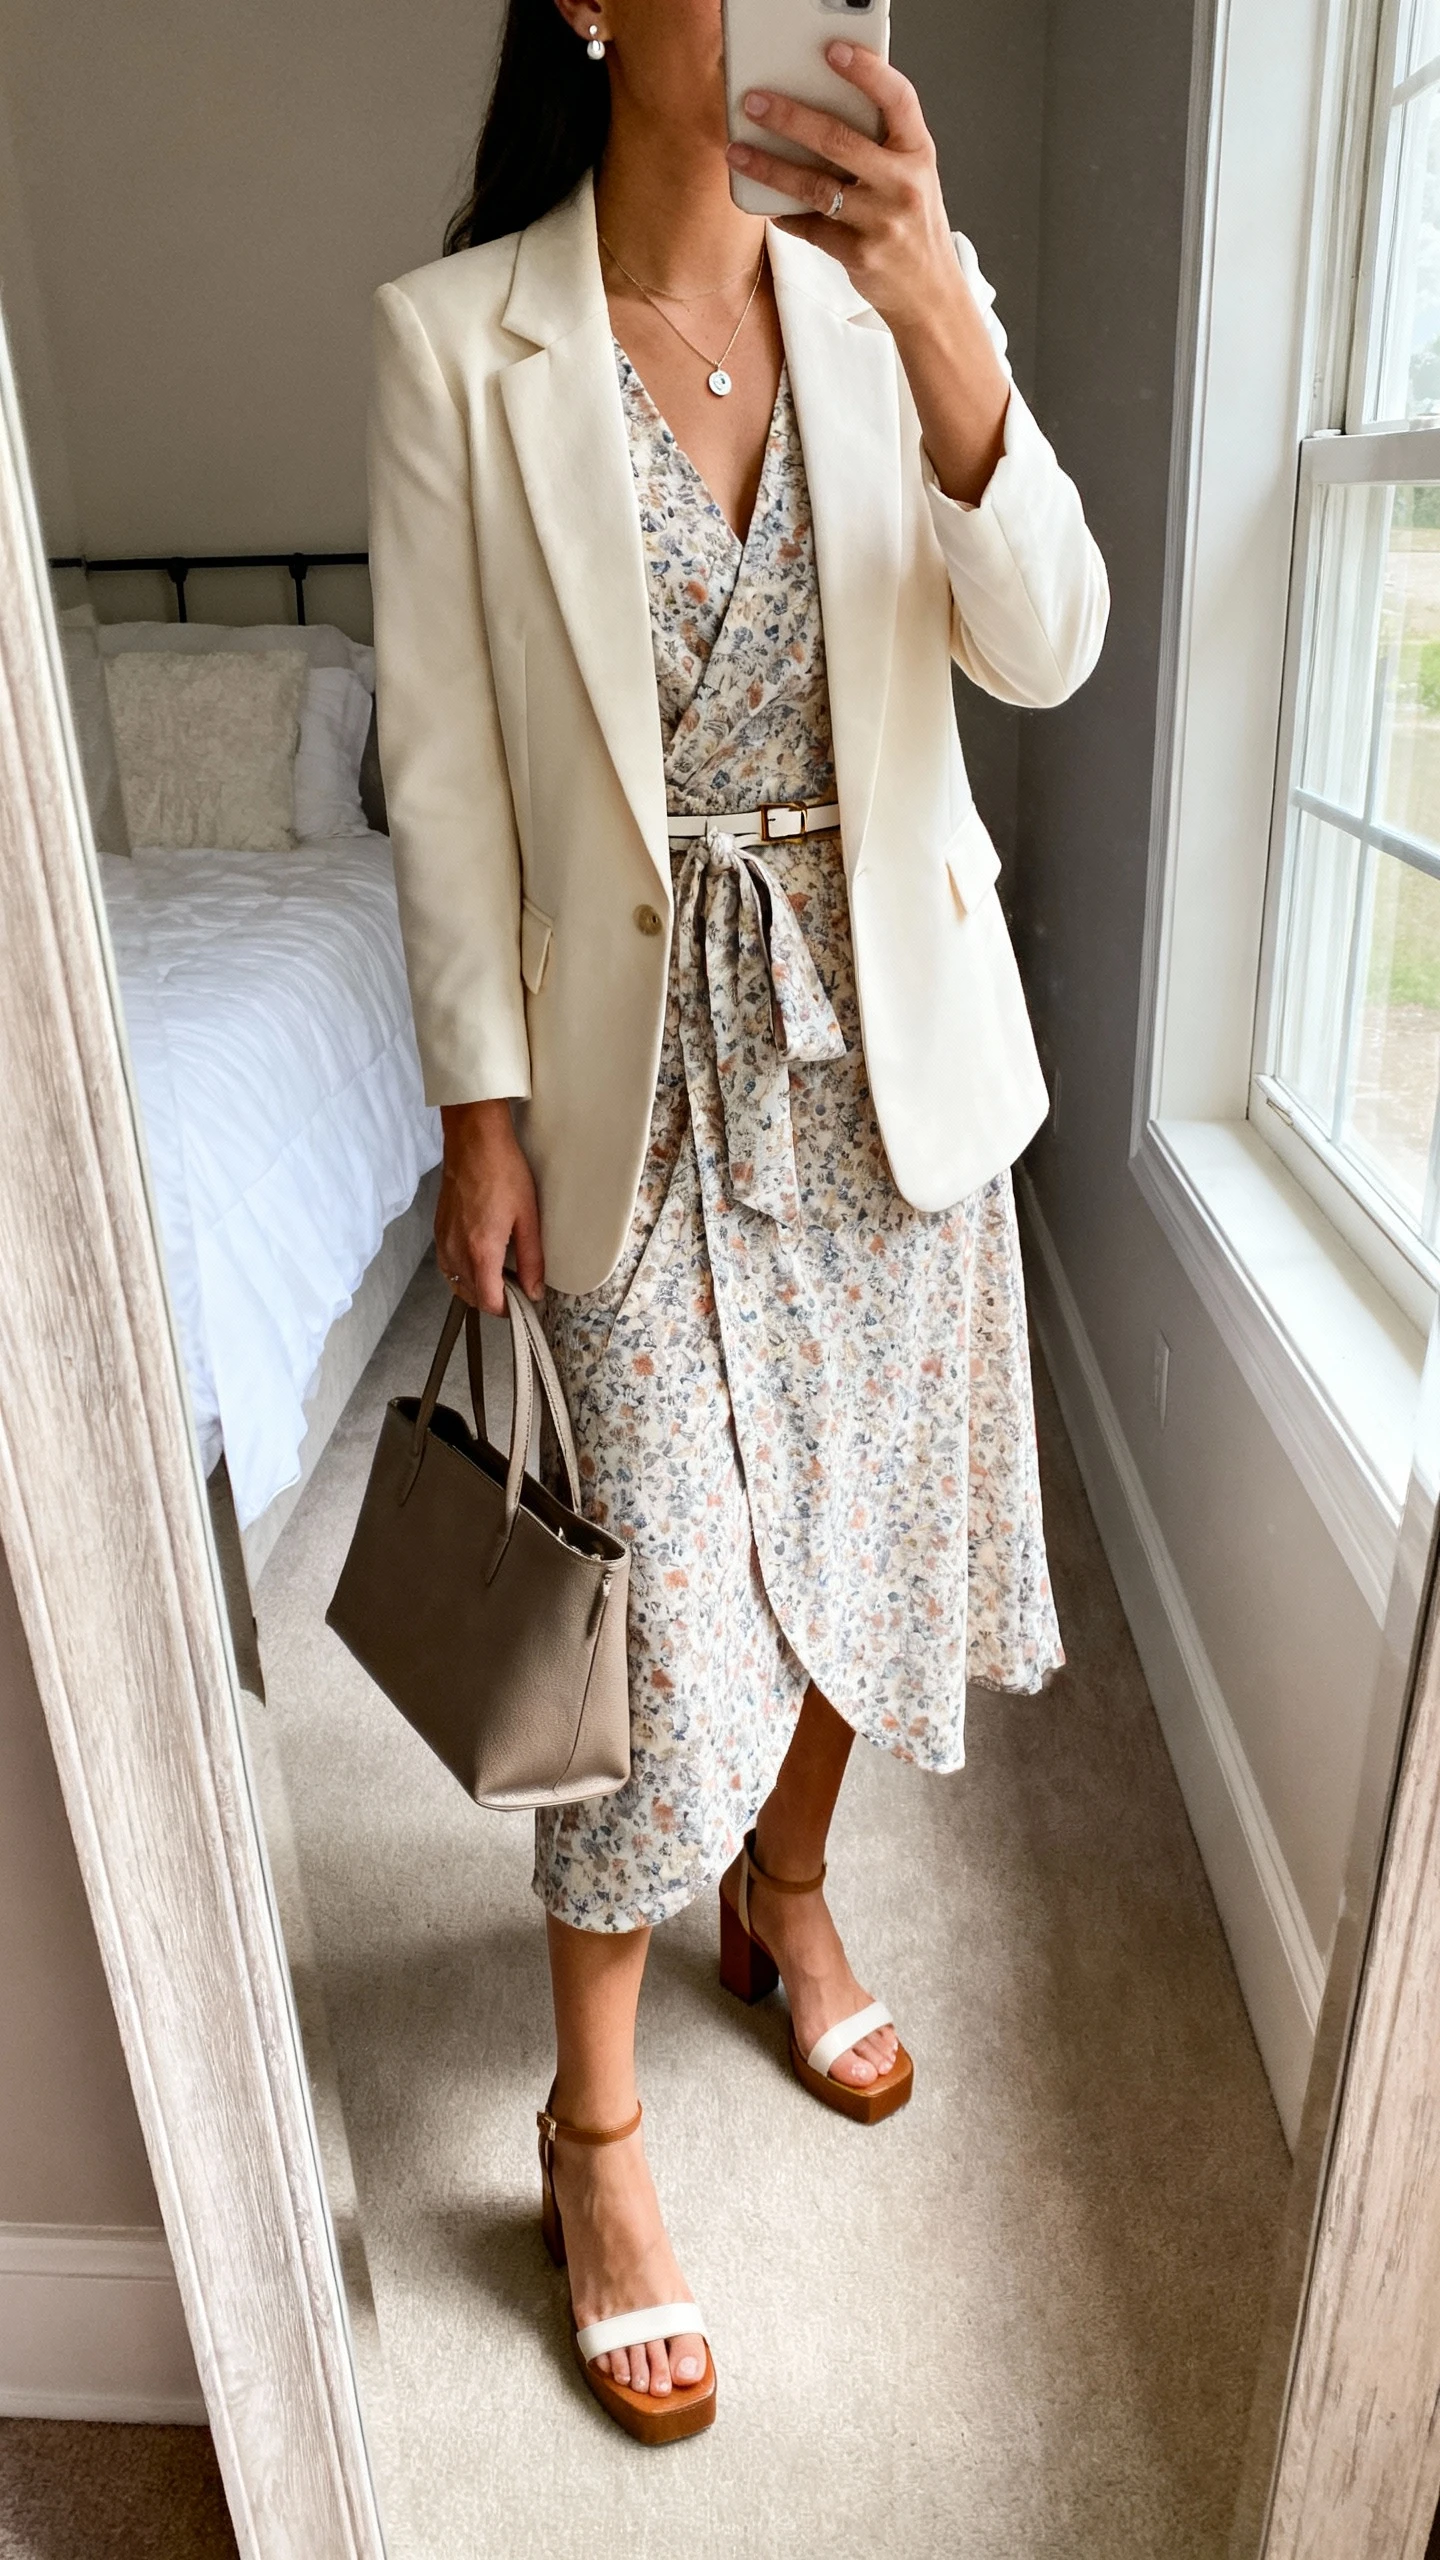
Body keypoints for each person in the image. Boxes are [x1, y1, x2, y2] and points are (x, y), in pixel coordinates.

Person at [367, 0, 1108, 2445]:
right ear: (596, 3)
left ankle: (782, 1894)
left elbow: (1052, 637)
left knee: (861, 1548)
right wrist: (480, 1112)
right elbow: (452, 770)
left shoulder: (910, 285)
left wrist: (940, 325)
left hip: (889, 1051)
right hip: (633, 1080)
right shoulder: (459, 342)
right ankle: (591, 2137)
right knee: (656, 1602)